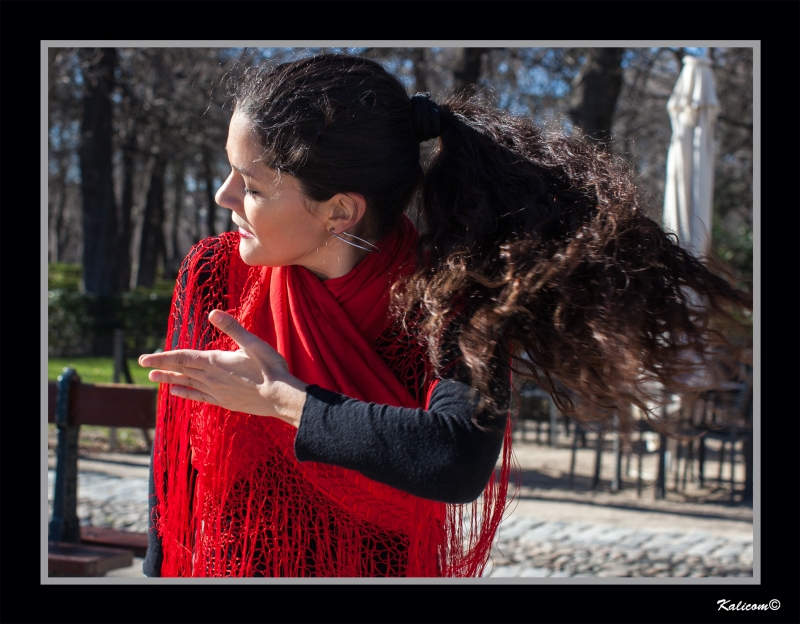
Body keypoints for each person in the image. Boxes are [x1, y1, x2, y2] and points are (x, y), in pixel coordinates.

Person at [138, 53, 751, 578]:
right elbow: (173, 466)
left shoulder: (449, 296)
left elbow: (455, 460)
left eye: (251, 184)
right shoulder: (213, 272)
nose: (223, 197)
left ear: (339, 211)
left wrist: (282, 399)